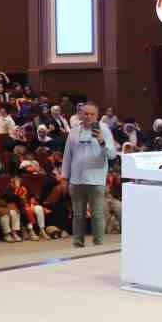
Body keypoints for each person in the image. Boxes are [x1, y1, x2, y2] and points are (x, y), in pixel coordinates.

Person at [60, 102, 117, 248]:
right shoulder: (73, 131)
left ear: (97, 116)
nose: (88, 116)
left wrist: (102, 142)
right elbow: (67, 156)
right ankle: (78, 244)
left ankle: (98, 245)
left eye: (92, 114)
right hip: (76, 180)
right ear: (80, 114)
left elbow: (111, 155)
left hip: (96, 180)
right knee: (78, 215)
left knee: (97, 215)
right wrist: (64, 177)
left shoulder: (104, 130)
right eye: (86, 113)